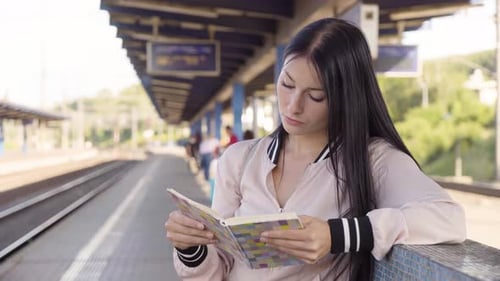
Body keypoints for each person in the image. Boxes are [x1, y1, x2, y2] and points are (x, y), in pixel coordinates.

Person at [165, 18, 466, 281]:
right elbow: (218, 270)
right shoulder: (240, 160)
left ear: (346, 97)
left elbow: (447, 218)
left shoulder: (372, 160)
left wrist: (338, 235)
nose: (293, 106)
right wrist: (191, 248)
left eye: (316, 96)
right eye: (287, 84)